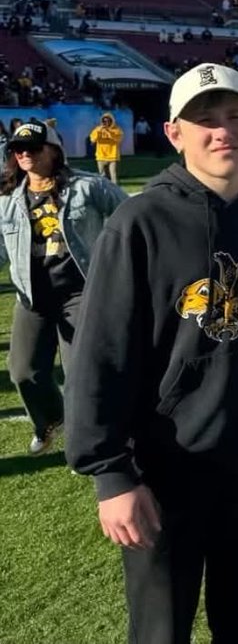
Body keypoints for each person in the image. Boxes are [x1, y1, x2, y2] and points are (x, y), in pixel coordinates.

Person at [65, 64, 238, 644]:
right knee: (161, 628)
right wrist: (110, 475)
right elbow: (100, 354)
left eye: (234, 117)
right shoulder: (139, 223)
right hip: (164, 469)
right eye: (204, 120)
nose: (221, 131)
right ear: (175, 134)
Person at [0, 119, 125, 454]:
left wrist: (120, 259)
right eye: (17, 149)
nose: (24, 154)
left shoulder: (88, 187)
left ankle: (85, 442)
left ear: (54, 151)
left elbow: (129, 215)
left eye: (33, 147)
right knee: (23, 372)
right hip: (32, 296)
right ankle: (51, 421)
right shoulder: (8, 198)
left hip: (80, 292)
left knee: (80, 373)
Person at [89, 112, 124, 183]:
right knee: (102, 176)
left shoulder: (117, 130)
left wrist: (109, 132)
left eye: (108, 121)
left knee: (113, 175)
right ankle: (103, 191)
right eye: (104, 121)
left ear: (111, 121)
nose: (106, 122)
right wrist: (99, 131)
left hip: (112, 156)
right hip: (101, 156)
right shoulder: (98, 129)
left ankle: (115, 191)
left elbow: (118, 139)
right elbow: (93, 140)